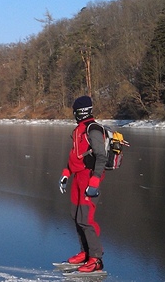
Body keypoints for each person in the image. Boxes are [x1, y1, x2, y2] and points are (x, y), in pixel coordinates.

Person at [58, 95, 107, 273]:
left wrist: (95, 180)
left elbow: (101, 156)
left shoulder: (93, 129)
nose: (74, 114)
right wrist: (66, 173)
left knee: (86, 219)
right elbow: (75, 156)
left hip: (88, 178)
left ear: (81, 112)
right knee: (76, 216)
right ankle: (85, 253)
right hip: (77, 178)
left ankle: (96, 259)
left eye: (75, 112)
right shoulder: (79, 130)